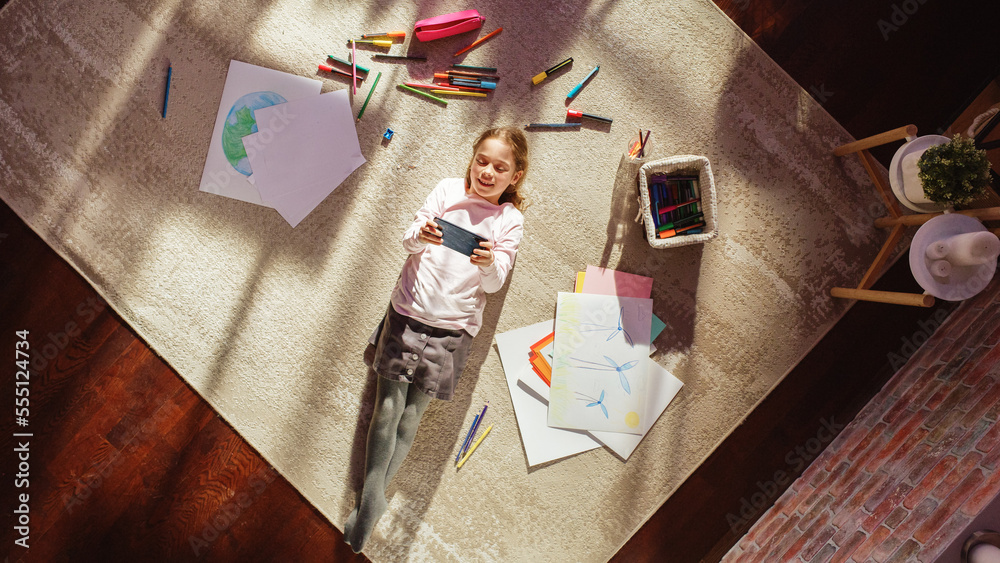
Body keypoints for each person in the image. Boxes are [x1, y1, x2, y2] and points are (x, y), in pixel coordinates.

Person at [344, 126, 529, 553]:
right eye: (482, 160)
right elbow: (407, 240)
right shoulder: (447, 190)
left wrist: (486, 262)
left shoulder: (510, 219)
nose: (487, 171)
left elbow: (497, 283)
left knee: (412, 416)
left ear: (514, 177)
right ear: (472, 158)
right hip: (409, 310)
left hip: (454, 327)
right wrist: (421, 235)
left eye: (500, 167)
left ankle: (366, 509)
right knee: (388, 406)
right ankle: (371, 505)